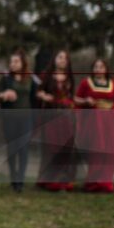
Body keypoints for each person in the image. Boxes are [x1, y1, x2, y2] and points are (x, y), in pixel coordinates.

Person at [74, 58, 114, 193]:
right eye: (96, 67)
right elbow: (76, 98)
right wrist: (86, 101)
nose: (98, 69)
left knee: (110, 152)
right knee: (96, 151)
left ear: (106, 69)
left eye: (101, 67)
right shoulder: (86, 83)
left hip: (110, 124)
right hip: (93, 123)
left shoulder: (112, 84)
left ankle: (106, 183)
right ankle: (93, 183)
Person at [0, 50, 38, 192]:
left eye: (16, 61)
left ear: (23, 63)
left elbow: (35, 98)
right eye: (11, 61)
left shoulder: (31, 78)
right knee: (12, 148)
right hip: (10, 119)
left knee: (23, 148)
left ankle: (20, 179)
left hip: (26, 119)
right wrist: (4, 95)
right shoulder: (6, 78)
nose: (13, 64)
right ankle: (13, 178)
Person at [34, 50, 76, 192]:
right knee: (51, 148)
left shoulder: (70, 77)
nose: (62, 60)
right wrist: (45, 96)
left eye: (65, 58)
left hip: (65, 118)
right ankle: (48, 180)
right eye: (60, 57)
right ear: (55, 59)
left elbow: (71, 96)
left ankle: (63, 182)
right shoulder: (46, 76)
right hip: (51, 117)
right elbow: (38, 93)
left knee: (65, 148)